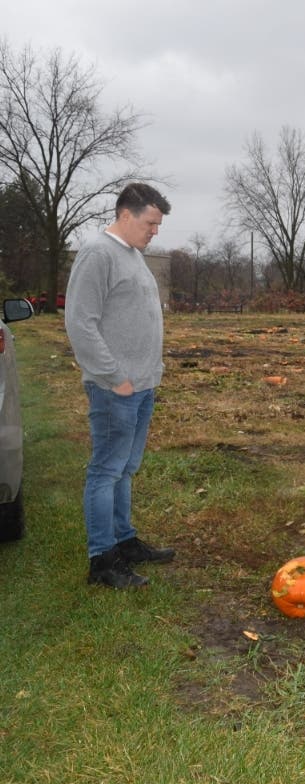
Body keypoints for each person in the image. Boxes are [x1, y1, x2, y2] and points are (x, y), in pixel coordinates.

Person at [64, 183, 175, 588]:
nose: (155, 231)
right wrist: (115, 377)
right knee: (106, 470)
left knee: (125, 469)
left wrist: (148, 373)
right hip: (117, 388)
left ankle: (124, 542)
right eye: (151, 222)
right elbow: (80, 322)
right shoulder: (98, 253)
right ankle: (103, 561)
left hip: (142, 386)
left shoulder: (132, 255)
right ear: (126, 214)